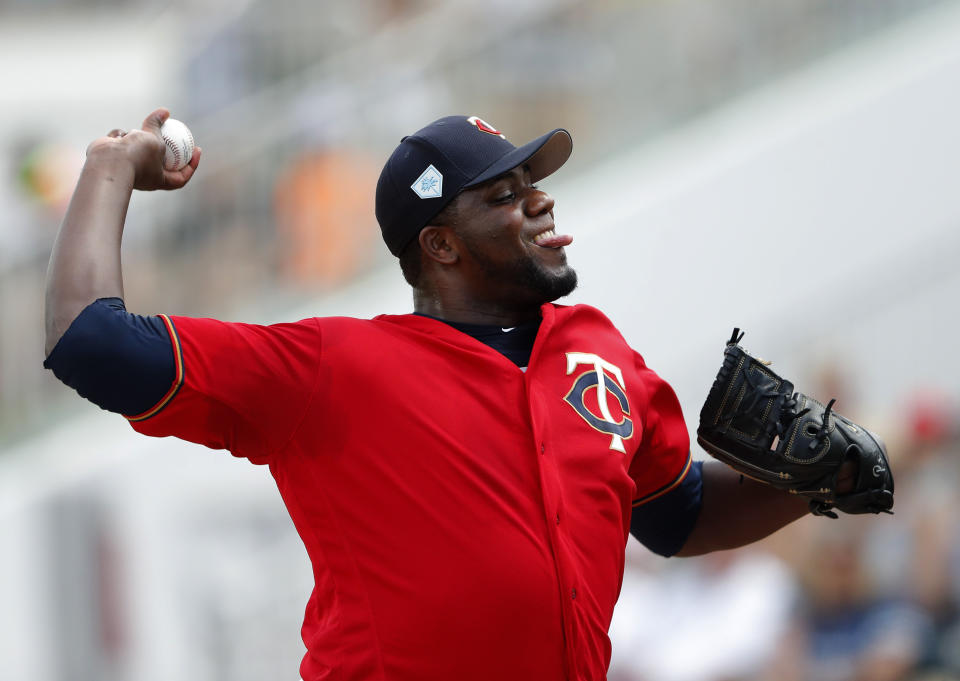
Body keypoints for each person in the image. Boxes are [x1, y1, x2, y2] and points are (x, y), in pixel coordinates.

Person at [45, 109, 831, 681]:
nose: (540, 201)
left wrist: (809, 482)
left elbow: (675, 513)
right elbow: (91, 340)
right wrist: (111, 166)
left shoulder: (600, 350)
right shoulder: (334, 366)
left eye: (535, 183)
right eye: (503, 193)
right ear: (440, 244)